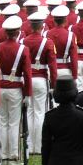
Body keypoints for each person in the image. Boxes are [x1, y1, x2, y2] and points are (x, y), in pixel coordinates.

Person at [0, 16, 32, 165]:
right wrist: (28, 94)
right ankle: (12, 156)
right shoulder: (23, 49)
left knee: (3, 122)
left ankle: (3, 156)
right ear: (18, 32)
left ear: (5, 32)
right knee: (14, 123)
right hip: (15, 88)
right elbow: (27, 74)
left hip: (0, 88)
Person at [23, 11, 57, 155]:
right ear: (42, 25)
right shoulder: (47, 42)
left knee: (30, 112)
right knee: (40, 113)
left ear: (31, 25)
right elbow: (52, 66)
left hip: (27, 80)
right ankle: (39, 145)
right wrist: (54, 85)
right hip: (41, 79)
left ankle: (29, 146)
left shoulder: (24, 41)